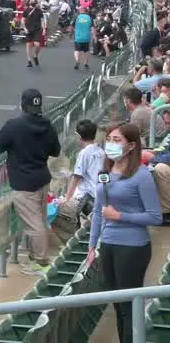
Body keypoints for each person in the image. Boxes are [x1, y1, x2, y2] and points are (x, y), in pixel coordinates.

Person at [88, 123, 162, 343]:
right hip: (108, 245)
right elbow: (98, 211)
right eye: (109, 139)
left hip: (132, 247)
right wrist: (92, 246)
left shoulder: (141, 176)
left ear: (131, 145)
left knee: (129, 305)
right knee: (118, 304)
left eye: (117, 140)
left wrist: (120, 216)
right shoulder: (106, 172)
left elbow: (155, 216)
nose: (110, 144)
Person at [0, 88, 61, 274]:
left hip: (23, 182)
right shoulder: (48, 125)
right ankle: (35, 256)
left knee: (34, 224)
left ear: (23, 105)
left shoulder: (13, 125)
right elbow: (56, 151)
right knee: (41, 219)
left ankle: (41, 262)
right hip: (43, 178)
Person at [54, 119, 103, 239]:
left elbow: (77, 177)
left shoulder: (84, 153)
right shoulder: (101, 152)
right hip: (98, 196)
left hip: (85, 199)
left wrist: (66, 198)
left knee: (53, 209)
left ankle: (71, 237)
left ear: (78, 136)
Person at [24, 0, 45, 67]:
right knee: (28, 45)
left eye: (34, 1)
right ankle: (29, 61)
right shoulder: (26, 10)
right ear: (29, 2)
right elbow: (22, 19)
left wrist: (44, 29)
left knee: (37, 45)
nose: (33, 2)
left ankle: (35, 55)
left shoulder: (39, 10)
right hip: (28, 29)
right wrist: (24, 28)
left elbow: (42, 20)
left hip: (37, 29)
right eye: (31, 1)